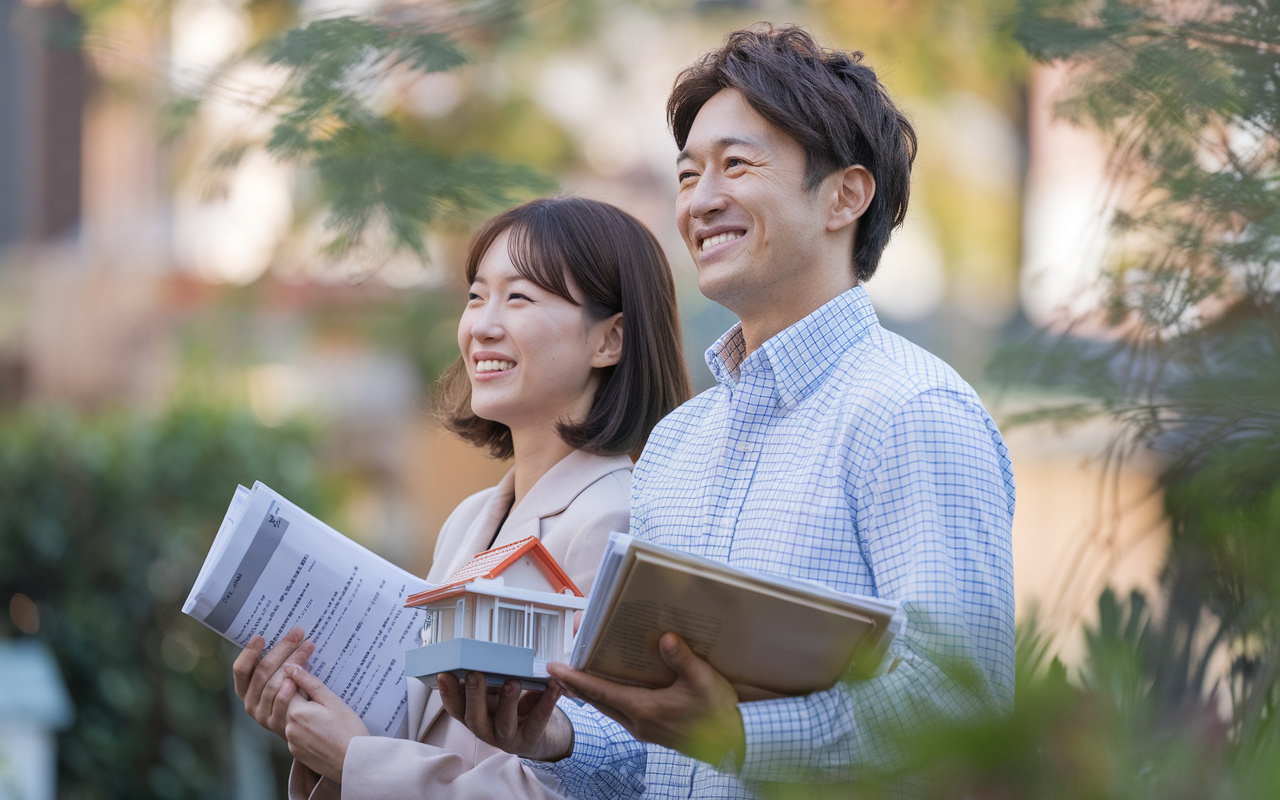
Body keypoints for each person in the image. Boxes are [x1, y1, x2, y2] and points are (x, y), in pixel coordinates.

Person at [441, 24, 1016, 799]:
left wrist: (743, 736)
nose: (701, 201)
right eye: (687, 175)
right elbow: (656, 746)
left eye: (735, 165)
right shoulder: (678, 443)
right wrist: (556, 736)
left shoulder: (913, 412)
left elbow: (964, 706)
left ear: (845, 195)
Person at [230, 196, 691, 799]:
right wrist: (310, 713)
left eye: (519, 297)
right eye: (477, 296)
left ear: (610, 339)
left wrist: (358, 761)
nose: (482, 325)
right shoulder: (470, 518)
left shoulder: (617, 522)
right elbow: (424, 729)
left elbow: (578, 784)